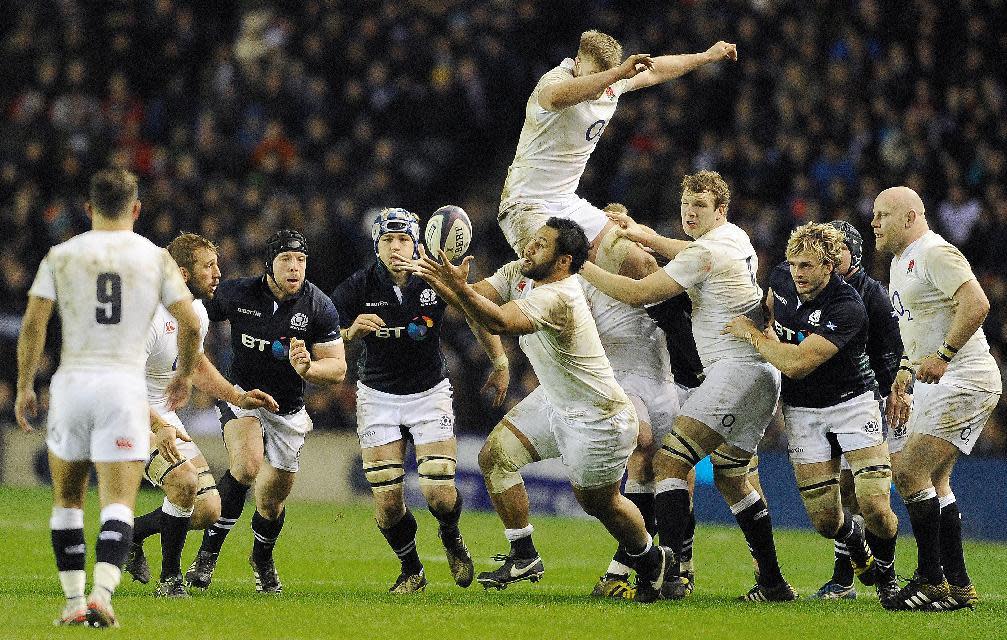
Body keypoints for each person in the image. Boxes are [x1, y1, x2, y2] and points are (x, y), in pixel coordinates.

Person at [402, 217, 668, 603]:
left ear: (563, 262)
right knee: (494, 458)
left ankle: (650, 557)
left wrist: (453, 287)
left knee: (598, 502)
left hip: (598, 416)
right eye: (532, 240)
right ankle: (523, 554)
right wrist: (443, 279)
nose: (529, 247)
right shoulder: (519, 272)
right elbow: (475, 298)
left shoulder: (560, 295)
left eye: (541, 244)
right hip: (555, 400)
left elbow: (499, 319)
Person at [579, 171, 795, 602]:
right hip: (759, 374)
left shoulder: (706, 252)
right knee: (734, 478)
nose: (690, 213)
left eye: (700, 206)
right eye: (686, 205)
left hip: (735, 369)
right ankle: (772, 581)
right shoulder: (735, 238)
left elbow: (640, 293)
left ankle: (672, 571)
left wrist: (579, 263)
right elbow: (690, 251)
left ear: (720, 210)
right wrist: (649, 236)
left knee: (671, 462)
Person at [14, 168, 201, 627]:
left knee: (68, 498)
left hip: (73, 381)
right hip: (123, 387)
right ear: (136, 209)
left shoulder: (61, 255)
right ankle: (103, 595)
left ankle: (74, 601)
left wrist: (23, 386)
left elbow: (34, 325)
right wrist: (186, 375)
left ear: (88, 208)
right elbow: (192, 324)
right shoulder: (156, 258)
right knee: (119, 501)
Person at [330, 208, 509, 593]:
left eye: (404, 240)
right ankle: (411, 570)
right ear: (376, 245)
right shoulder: (357, 286)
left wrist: (499, 358)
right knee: (388, 504)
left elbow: (477, 313)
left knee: (440, 495)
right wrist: (348, 332)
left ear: (418, 244)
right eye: (388, 240)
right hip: (377, 397)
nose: (396, 247)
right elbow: (319, 335)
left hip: (429, 393)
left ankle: (451, 535)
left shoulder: (434, 278)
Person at [723, 222, 901, 607]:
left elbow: (798, 364)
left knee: (874, 504)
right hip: (802, 410)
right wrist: (757, 322)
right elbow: (767, 307)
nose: (798, 273)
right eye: (793, 264)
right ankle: (854, 540)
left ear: (828, 267)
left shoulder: (847, 305)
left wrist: (752, 337)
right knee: (825, 522)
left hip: (853, 403)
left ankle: (886, 578)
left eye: (808, 266)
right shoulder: (783, 280)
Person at [184, 229, 347, 594]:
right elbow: (192, 315)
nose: (295, 268)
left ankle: (261, 556)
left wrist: (309, 370)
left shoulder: (319, 306)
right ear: (269, 265)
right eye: (286, 260)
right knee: (247, 465)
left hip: (288, 412)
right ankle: (206, 557)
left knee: (271, 503)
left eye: (301, 260)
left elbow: (337, 368)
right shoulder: (237, 293)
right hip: (244, 397)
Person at [498, 29, 736, 277]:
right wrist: (615, 74)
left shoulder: (613, 83)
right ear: (577, 64)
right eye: (594, 75)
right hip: (525, 205)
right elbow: (555, 98)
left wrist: (706, 56)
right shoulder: (554, 80)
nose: (602, 87)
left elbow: (656, 69)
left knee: (643, 265)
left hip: (566, 201)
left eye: (608, 78)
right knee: (557, 276)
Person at [123, 232, 279, 597]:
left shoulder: (196, 314)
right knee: (183, 482)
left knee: (209, 508)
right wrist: (159, 425)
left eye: (217, 265)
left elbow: (195, 366)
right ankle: (171, 580)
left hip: (161, 415)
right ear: (182, 272)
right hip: (126, 412)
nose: (218, 273)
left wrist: (237, 396)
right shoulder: (146, 318)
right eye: (208, 266)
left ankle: (131, 533)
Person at [872, 186, 1002, 611]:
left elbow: (977, 302)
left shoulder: (935, 253)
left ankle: (931, 580)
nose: (874, 222)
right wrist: (904, 376)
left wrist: (945, 355)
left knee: (908, 469)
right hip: (940, 383)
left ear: (910, 217)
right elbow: (918, 331)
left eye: (883, 215)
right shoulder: (898, 264)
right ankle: (959, 584)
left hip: (966, 379)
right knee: (934, 480)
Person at [809, 220, 906, 600]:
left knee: (874, 498)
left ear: (855, 253)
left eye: (839, 250)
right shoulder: (816, 289)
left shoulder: (872, 294)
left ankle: (887, 575)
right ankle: (846, 579)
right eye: (827, 251)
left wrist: (890, 391)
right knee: (846, 493)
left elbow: (894, 348)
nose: (832, 258)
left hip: (871, 401)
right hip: (834, 400)